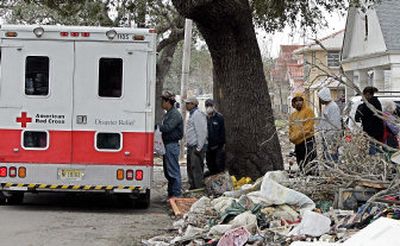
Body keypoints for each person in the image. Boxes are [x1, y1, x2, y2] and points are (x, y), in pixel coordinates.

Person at [159, 90, 184, 199]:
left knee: (173, 171)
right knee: (168, 172)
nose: (161, 103)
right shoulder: (168, 114)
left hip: (171, 145)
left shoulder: (174, 114)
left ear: (168, 102)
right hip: (167, 145)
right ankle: (171, 194)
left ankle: (176, 195)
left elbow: (168, 128)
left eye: (162, 101)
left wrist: (158, 127)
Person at [289, 93, 317, 171]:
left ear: (303, 101)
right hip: (298, 144)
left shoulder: (309, 112)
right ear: (293, 103)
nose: (298, 102)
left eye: (300, 100)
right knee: (300, 162)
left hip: (308, 142)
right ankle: (304, 178)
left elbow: (308, 127)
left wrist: (297, 136)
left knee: (310, 163)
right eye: (296, 101)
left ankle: (312, 179)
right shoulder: (293, 115)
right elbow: (290, 128)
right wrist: (291, 137)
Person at [185, 96, 208, 189]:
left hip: (196, 146)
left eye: (188, 103)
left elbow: (202, 132)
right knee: (190, 168)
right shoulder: (192, 114)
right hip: (191, 146)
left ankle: (198, 188)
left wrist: (199, 147)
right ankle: (193, 187)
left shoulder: (198, 114)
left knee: (196, 169)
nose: (186, 105)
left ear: (193, 104)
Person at [355, 86, 384, 155]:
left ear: (367, 94)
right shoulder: (376, 102)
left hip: (371, 132)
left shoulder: (369, 105)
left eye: (364, 95)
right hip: (377, 132)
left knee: (372, 152)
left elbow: (358, 117)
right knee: (375, 150)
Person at [317, 87, 342, 161]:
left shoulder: (333, 107)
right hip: (326, 136)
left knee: (332, 157)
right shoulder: (327, 107)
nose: (320, 100)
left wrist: (331, 137)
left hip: (331, 137)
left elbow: (335, 124)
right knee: (327, 156)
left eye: (320, 98)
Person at [204, 99, 225, 176]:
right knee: (210, 164)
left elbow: (222, 132)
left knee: (218, 164)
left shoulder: (219, 117)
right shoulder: (204, 117)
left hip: (218, 146)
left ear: (213, 106)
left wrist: (220, 144)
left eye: (210, 106)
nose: (209, 108)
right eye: (207, 106)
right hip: (208, 146)